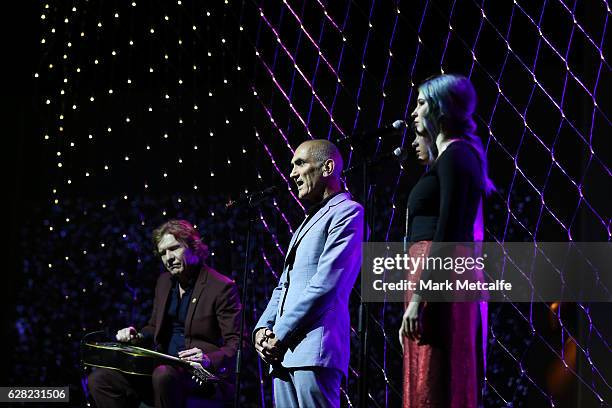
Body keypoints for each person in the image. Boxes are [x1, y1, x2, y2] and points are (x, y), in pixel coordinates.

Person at [398, 74, 493, 408]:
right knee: (426, 375)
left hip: (439, 279)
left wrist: (419, 298)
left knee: (436, 380)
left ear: (440, 107)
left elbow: (449, 231)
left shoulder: (457, 155)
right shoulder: (448, 158)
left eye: (422, 102)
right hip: (430, 276)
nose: (414, 112)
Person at [253, 139, 364, 408]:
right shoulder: (306, 222)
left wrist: (278, 333)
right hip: (282, 353)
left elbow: (326, 285)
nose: (291, 174)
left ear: (327, 167)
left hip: (315, 348)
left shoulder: (348, 212)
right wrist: (261, 330)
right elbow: (284, 285)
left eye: (300, 164)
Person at [88, 220, 242, 408]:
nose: (168, 257)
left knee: (163, 375)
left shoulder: (221, 286)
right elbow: (154, 327)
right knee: (100, 379)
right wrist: (137, 336)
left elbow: (238, 343)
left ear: (193, 247)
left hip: (198, 373)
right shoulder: (164, 282)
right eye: (162, 253)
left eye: (174, 248)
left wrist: (209, 359)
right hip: (161, 367)